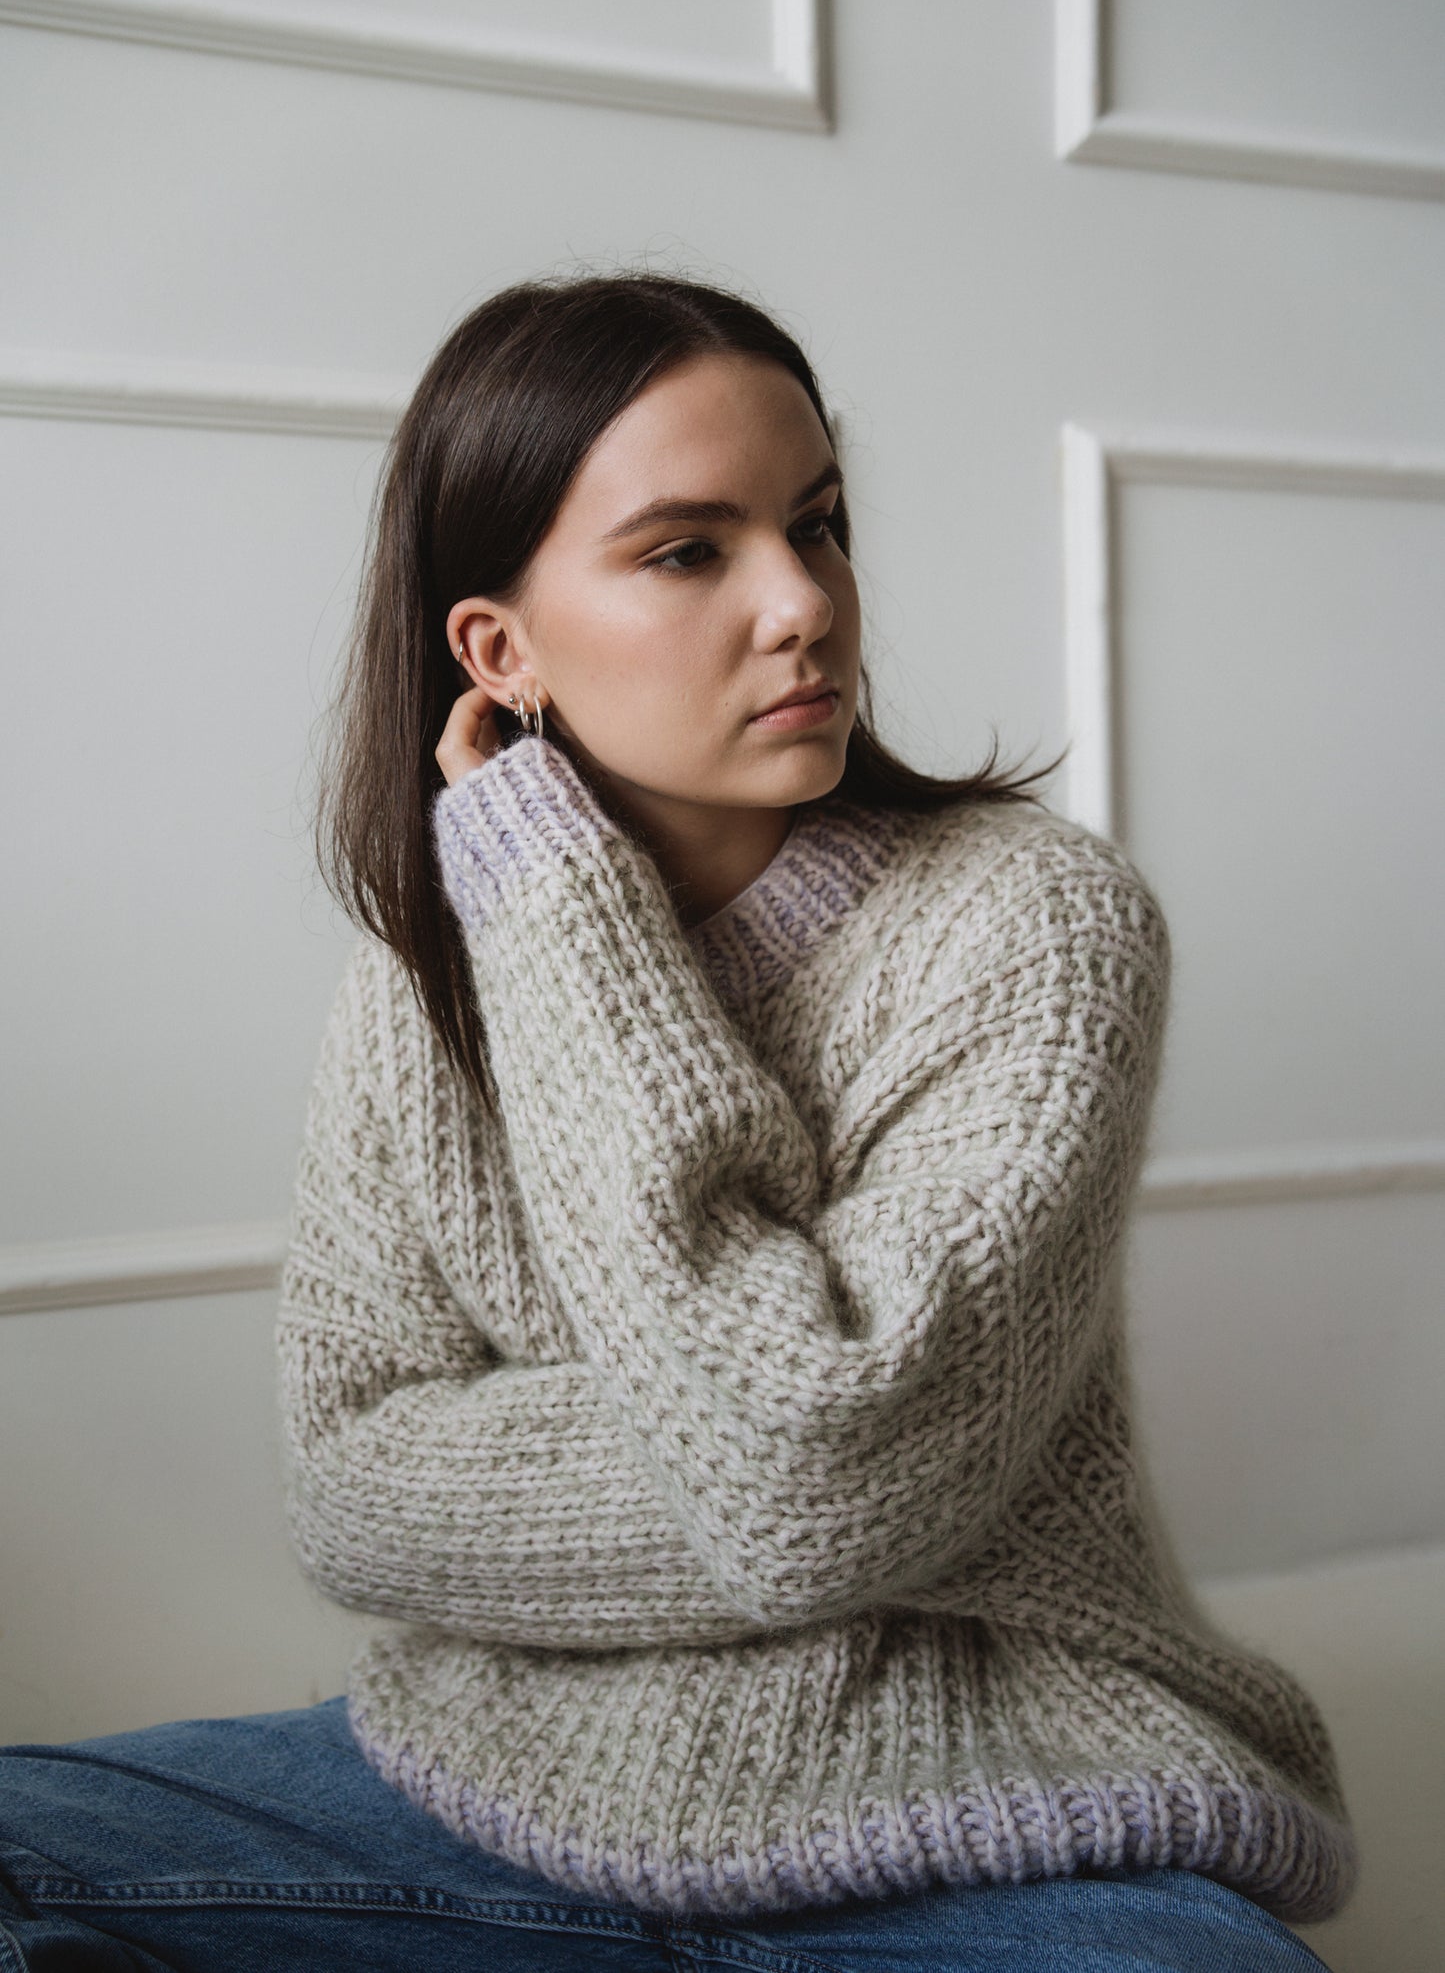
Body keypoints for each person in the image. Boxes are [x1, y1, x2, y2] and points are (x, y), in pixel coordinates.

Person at [0, 271, 1355, 1969]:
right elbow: (351, 1487)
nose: (802, 602)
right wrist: (549, 905)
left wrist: (810, 1472)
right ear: (500, 650)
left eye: (820, 523)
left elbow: (819, 1471)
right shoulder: (428, 978)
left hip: (996, 1811)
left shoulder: (1036, 925)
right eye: (688, 550)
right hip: (481, 1784)